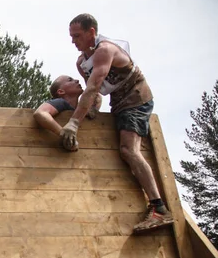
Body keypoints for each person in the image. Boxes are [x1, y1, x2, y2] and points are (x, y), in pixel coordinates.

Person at [60, 13, 174, 233]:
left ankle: (159, 208)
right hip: (119, 102)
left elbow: (93, 87)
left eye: (77, 36)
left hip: (137, 97)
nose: (73, 41)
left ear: (91, 32)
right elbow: (94, 93)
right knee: (122, 151)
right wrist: (92, 109)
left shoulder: (105, 50)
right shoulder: (82, 62)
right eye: (71, 37)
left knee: (129, 150)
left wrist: (74, 123)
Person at [34, 75, 101, 147]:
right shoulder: (61, 102)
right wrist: (65, 135)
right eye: (70, 80)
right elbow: (40, 113)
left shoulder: (78, 111)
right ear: (61, 91)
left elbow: (97, 97)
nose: (77, 80)